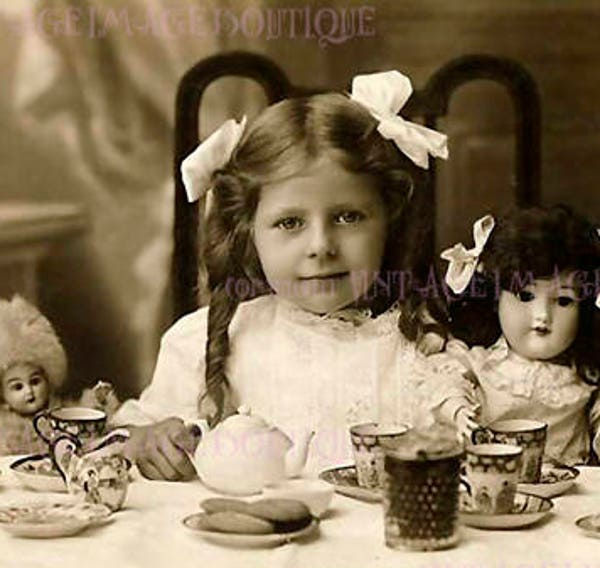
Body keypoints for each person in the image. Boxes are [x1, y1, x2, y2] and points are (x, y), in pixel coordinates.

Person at [112, 70, 467, 480]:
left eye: (348, 216)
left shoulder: (422, 346)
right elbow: (129, 435)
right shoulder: (208, 340)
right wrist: (146, 440)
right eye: (289, 223)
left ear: (390, 220)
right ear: (249, 231)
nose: (320, 245)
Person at [428, 205, 600, 465]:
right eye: (526, 296)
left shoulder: (585, 373)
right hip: (491, 484)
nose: (542, 315)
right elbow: (444, 383)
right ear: (496, 298)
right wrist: (458, 410)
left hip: (569, 492)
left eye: (563, 301)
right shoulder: (482, 362)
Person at [0, 295, 68, 454]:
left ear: (48, 378)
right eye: (17, 387)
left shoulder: (62, 416)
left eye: (35, 381)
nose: (29, 391)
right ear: (2, 397)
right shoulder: (3, 431)